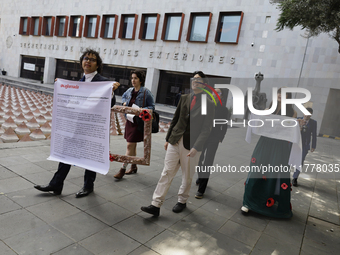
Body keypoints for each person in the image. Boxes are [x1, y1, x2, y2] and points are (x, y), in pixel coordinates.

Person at [34, 48, 119, 198]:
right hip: (77, 126)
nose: (88, 61)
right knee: (66, 153)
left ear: (97, 64)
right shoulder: (80, 82)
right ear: (81, 63)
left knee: (90, 157)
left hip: (92, 128)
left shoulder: (103, 82)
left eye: (92, 59)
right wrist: (61, 87)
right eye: (86, 58)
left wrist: (111, 92)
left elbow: (110, 103)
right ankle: (56, 184)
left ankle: (88, 186)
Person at [140, 71, 214, 216]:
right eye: (193, 79)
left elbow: (206, 129)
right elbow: (175, 119)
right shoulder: (184, 98)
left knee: (187, 175)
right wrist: (168, 138)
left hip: (192, 145)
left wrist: (196, 147)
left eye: (198, 80)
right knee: (167, 172)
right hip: (175, 140)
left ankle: (182, 200)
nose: (195, 81)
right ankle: (156, 204)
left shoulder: (208, 103)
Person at [241, 87, 297, 218]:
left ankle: (270, 202)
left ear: (288, 98)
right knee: (256, 169)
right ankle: (248, 202)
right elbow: (259, 124)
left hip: (281, 146)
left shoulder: (292, 112)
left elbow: (291, 129)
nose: (280, 96)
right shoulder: (267, 109)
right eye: (279, 93)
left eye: (284, 94)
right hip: (265, 143)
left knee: (276, 172)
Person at [113, 70, 155, 179]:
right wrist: (124, 103)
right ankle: (134, 166)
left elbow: (152, 107)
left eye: (135, 78)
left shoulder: (146, 92)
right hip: (129, 121)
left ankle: (123, 169)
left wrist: (142, 109)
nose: (133, 80)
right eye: (132, 78)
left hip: (138, 122)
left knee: (129, 145)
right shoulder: (129, 90)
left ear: (140, 80)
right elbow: (123, 97)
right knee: (133, 145)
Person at [195, 88, 229, 199]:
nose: (215, 94)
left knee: (208, 162)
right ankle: (201, 177)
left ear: (221, 96)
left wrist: (221, 137)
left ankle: (201, 190)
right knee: (199, 158)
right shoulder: (206, 105)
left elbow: (224, 125)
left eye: (218, 92)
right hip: (203, 136)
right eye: (214, 92)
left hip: (214, 138)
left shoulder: (224, 110)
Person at [292, 107, 317, 186]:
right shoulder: (298, 119)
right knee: (289, 159)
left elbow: (314, 135)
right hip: (295, 143)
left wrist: (313, 146)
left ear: (311, 115)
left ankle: (295, 178)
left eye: (308, 113)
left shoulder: (313, 123)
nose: (306, 115)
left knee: (300, 161)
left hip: (305, 145)